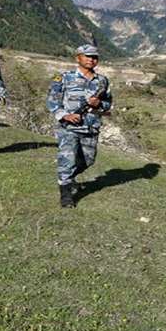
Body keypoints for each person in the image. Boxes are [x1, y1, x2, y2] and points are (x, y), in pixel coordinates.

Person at [46, 44, 112, 208]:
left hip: (91, 128)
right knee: (67, 160)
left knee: (88, 161)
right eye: (88, 56)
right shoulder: (64, 78)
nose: (91, 59)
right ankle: (66, 194)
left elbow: (108, 104)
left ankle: (67, 179)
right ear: (78, 58)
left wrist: (99, 104)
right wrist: (65, 115)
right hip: (69, 128)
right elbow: (52, 101)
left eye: (95, 57)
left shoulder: (102, 81)